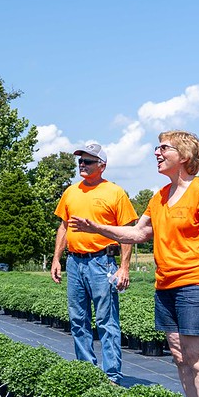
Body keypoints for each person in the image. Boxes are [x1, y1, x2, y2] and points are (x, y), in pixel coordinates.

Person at [69, 130, 199, 397]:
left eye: (163, 148)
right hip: (166, 284)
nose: (156, 153)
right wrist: (97, 228)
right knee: (181, 356)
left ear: (184, 155)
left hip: (197, 283)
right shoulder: (160, 196)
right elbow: (138, 232)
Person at [51, 143, 138, 384]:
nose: (82, 165)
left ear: (102, 165)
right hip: (75, 263)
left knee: (106, 320)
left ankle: (111, 374)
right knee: (78, 319)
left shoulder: (115, 192)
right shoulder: (71, 192)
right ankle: (86, 371)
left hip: (102, 263)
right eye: (80, 161)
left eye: (88, 162)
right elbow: (64, 226)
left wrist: (124, 267)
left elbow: (126, 232)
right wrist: (57, 259)